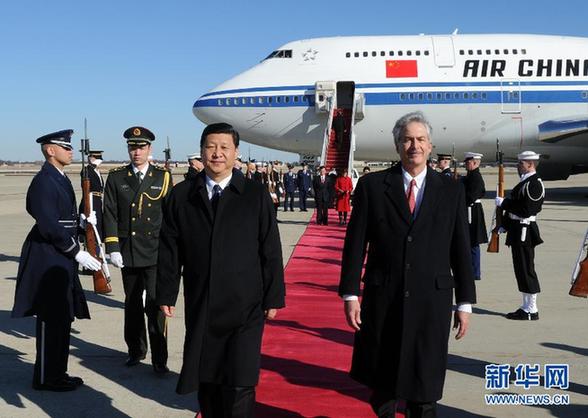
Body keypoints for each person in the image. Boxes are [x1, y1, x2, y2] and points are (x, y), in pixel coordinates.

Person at [339, 112, 476, 418]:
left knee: (425, 389)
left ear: (430, 146)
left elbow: (460, 249)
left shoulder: (451, 189)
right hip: (384, 298)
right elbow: (355, 244)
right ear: (397, 145)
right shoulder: (373, 186)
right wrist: (350, 295)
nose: (414, 145)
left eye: (420, 139)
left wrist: (465, 302)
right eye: (407, 139)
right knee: (383, 386)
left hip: (432, 301)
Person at [156, 122, 285, 418]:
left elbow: (270, 248)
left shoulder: (254, 194)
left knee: (240, 381)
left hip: (246, 305)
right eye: (211, 147)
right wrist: (166, 291)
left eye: (224, 147)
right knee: (208, 378)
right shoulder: (183, 195)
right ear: (202, 151)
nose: (217, 154)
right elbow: (170, 249)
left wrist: (273, 296)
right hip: (203, 303)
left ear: (235, 153)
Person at [12, 129, 101, 391]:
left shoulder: (59, 177)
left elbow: (62, 216)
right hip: (49, 256)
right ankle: (45, 378)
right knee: (51, 318)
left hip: (60, 257)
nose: (71, 151)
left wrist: (82, 222)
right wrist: (76, 250)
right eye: (65, 147)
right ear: (51, 150)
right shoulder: (44, 180)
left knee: (63, 317)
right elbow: (48, 223)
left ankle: (57, 372)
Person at [103, 126, 172, 373]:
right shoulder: (117, 177)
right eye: (132, 147)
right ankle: (135, 350)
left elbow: (169, 216)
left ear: (149, 149)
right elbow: (109, 213)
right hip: (128, 250)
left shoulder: (162, 177)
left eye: (141, 147)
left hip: (154, 252)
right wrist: (112, 246)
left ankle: (159, 358)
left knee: (156, 305)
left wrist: (171, 250)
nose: (137, 152)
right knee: (132, 304)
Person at [495, 151, 545, 321]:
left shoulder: (535, 184)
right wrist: (505, 225)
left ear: (530, 164)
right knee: (520, 270)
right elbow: (518, 208)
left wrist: (505, 203)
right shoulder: (525, 182)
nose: (518, 166)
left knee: (526, 269)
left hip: (525, 231)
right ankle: (525, 306)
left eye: (521, 163)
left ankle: (532, 308)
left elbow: (527, 210)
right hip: (517, 229)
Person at [462, 152, 488, 281]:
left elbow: (472, 195)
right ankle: (471, 270)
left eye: (468, 162)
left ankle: (475, 271)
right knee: (470, 242)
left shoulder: (475, 177)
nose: (466, 164)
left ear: (474, 162)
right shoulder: (471, 176)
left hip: (472, 211)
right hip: (470, 210)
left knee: (473, 242)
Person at [79, 150, 105, 241]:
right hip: (90, 199)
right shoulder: (87, 170)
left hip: (98, 200)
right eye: (95, 158)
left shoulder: (97, 171)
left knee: (98, 224)